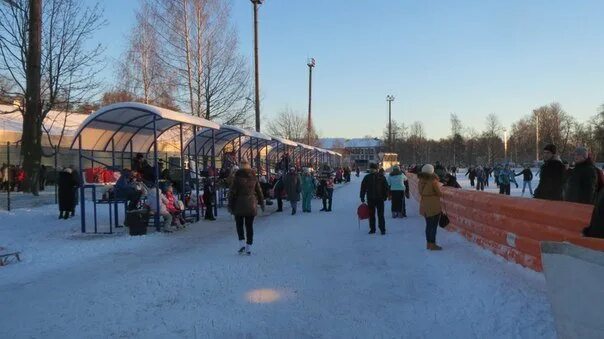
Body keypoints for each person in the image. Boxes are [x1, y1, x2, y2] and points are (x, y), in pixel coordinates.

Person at [228, 160, 265, 255]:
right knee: (249, 226)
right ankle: (249, 246)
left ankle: (241, 244)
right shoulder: (254, 177)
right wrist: (261, 203)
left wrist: (230, 205)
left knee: (239, 225)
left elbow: (232, 193)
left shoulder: (236, 178)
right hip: (251, 204)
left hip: (238, 205)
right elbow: (259, 191)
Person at [418, 164, 443, 250]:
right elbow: (439, 193)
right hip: (434, 206)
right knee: (433, 226)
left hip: (425, 205)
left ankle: (428, 244)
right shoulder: (433, 181)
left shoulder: (420, 180)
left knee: (428, 225)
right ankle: (433, 244)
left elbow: (420, 192)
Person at [360, 163, 389, 235]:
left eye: (373, 169)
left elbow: (386, 187)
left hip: (380, 198)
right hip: (370, 199)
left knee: (380, 215)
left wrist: (385, 195)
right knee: (371, 215)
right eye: (371, 168)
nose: (372, 170)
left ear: (376, 169)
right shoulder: (367, 177)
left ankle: (382, 229)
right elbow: (363, 188)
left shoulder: (381, 177)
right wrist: (362, 196)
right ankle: (372, 229)